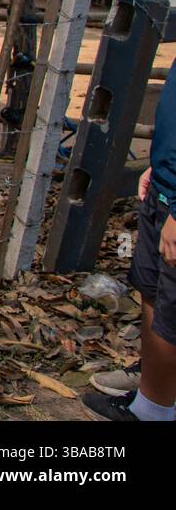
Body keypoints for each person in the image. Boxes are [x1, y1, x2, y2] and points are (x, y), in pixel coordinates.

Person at [83, 65, 176, 421]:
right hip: (165, 188)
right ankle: (151, 406)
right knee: (153, 289)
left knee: (171, 309)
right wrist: (163, 168)